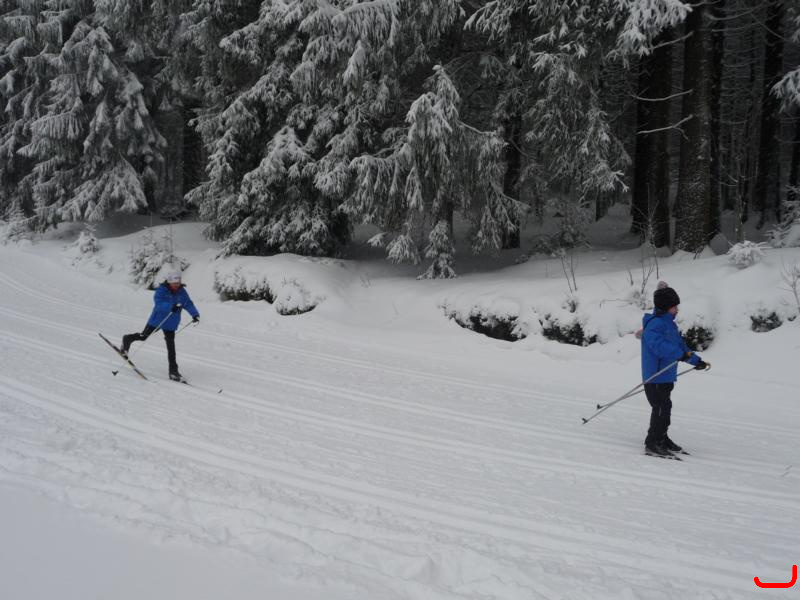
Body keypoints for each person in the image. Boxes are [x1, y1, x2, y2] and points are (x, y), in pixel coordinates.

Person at [639, 281, 710, 457]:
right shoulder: (654, 324)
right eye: (674, 306)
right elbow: (659, 346)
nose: (677, 309)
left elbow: (680, 346)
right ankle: (652, 442)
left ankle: (662, 438)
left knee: (665, 408)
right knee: (660, 408)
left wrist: (695, 361)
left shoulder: (670, 325)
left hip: (666, 376)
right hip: (655, 376)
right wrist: (680, 354)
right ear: (665, 307)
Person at [122, 269, 199, 381]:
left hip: (171, 322)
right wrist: (171, 306)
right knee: (143, 337)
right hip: (158, 320)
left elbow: (188, 303)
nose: (176, 285)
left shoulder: (182, 292)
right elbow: (158, 303)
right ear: (169, 282)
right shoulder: (162, 290)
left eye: (178, 282)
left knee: (171, 347)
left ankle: (173, 371)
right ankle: (127, 339)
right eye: (174, 283)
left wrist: (195, 314)